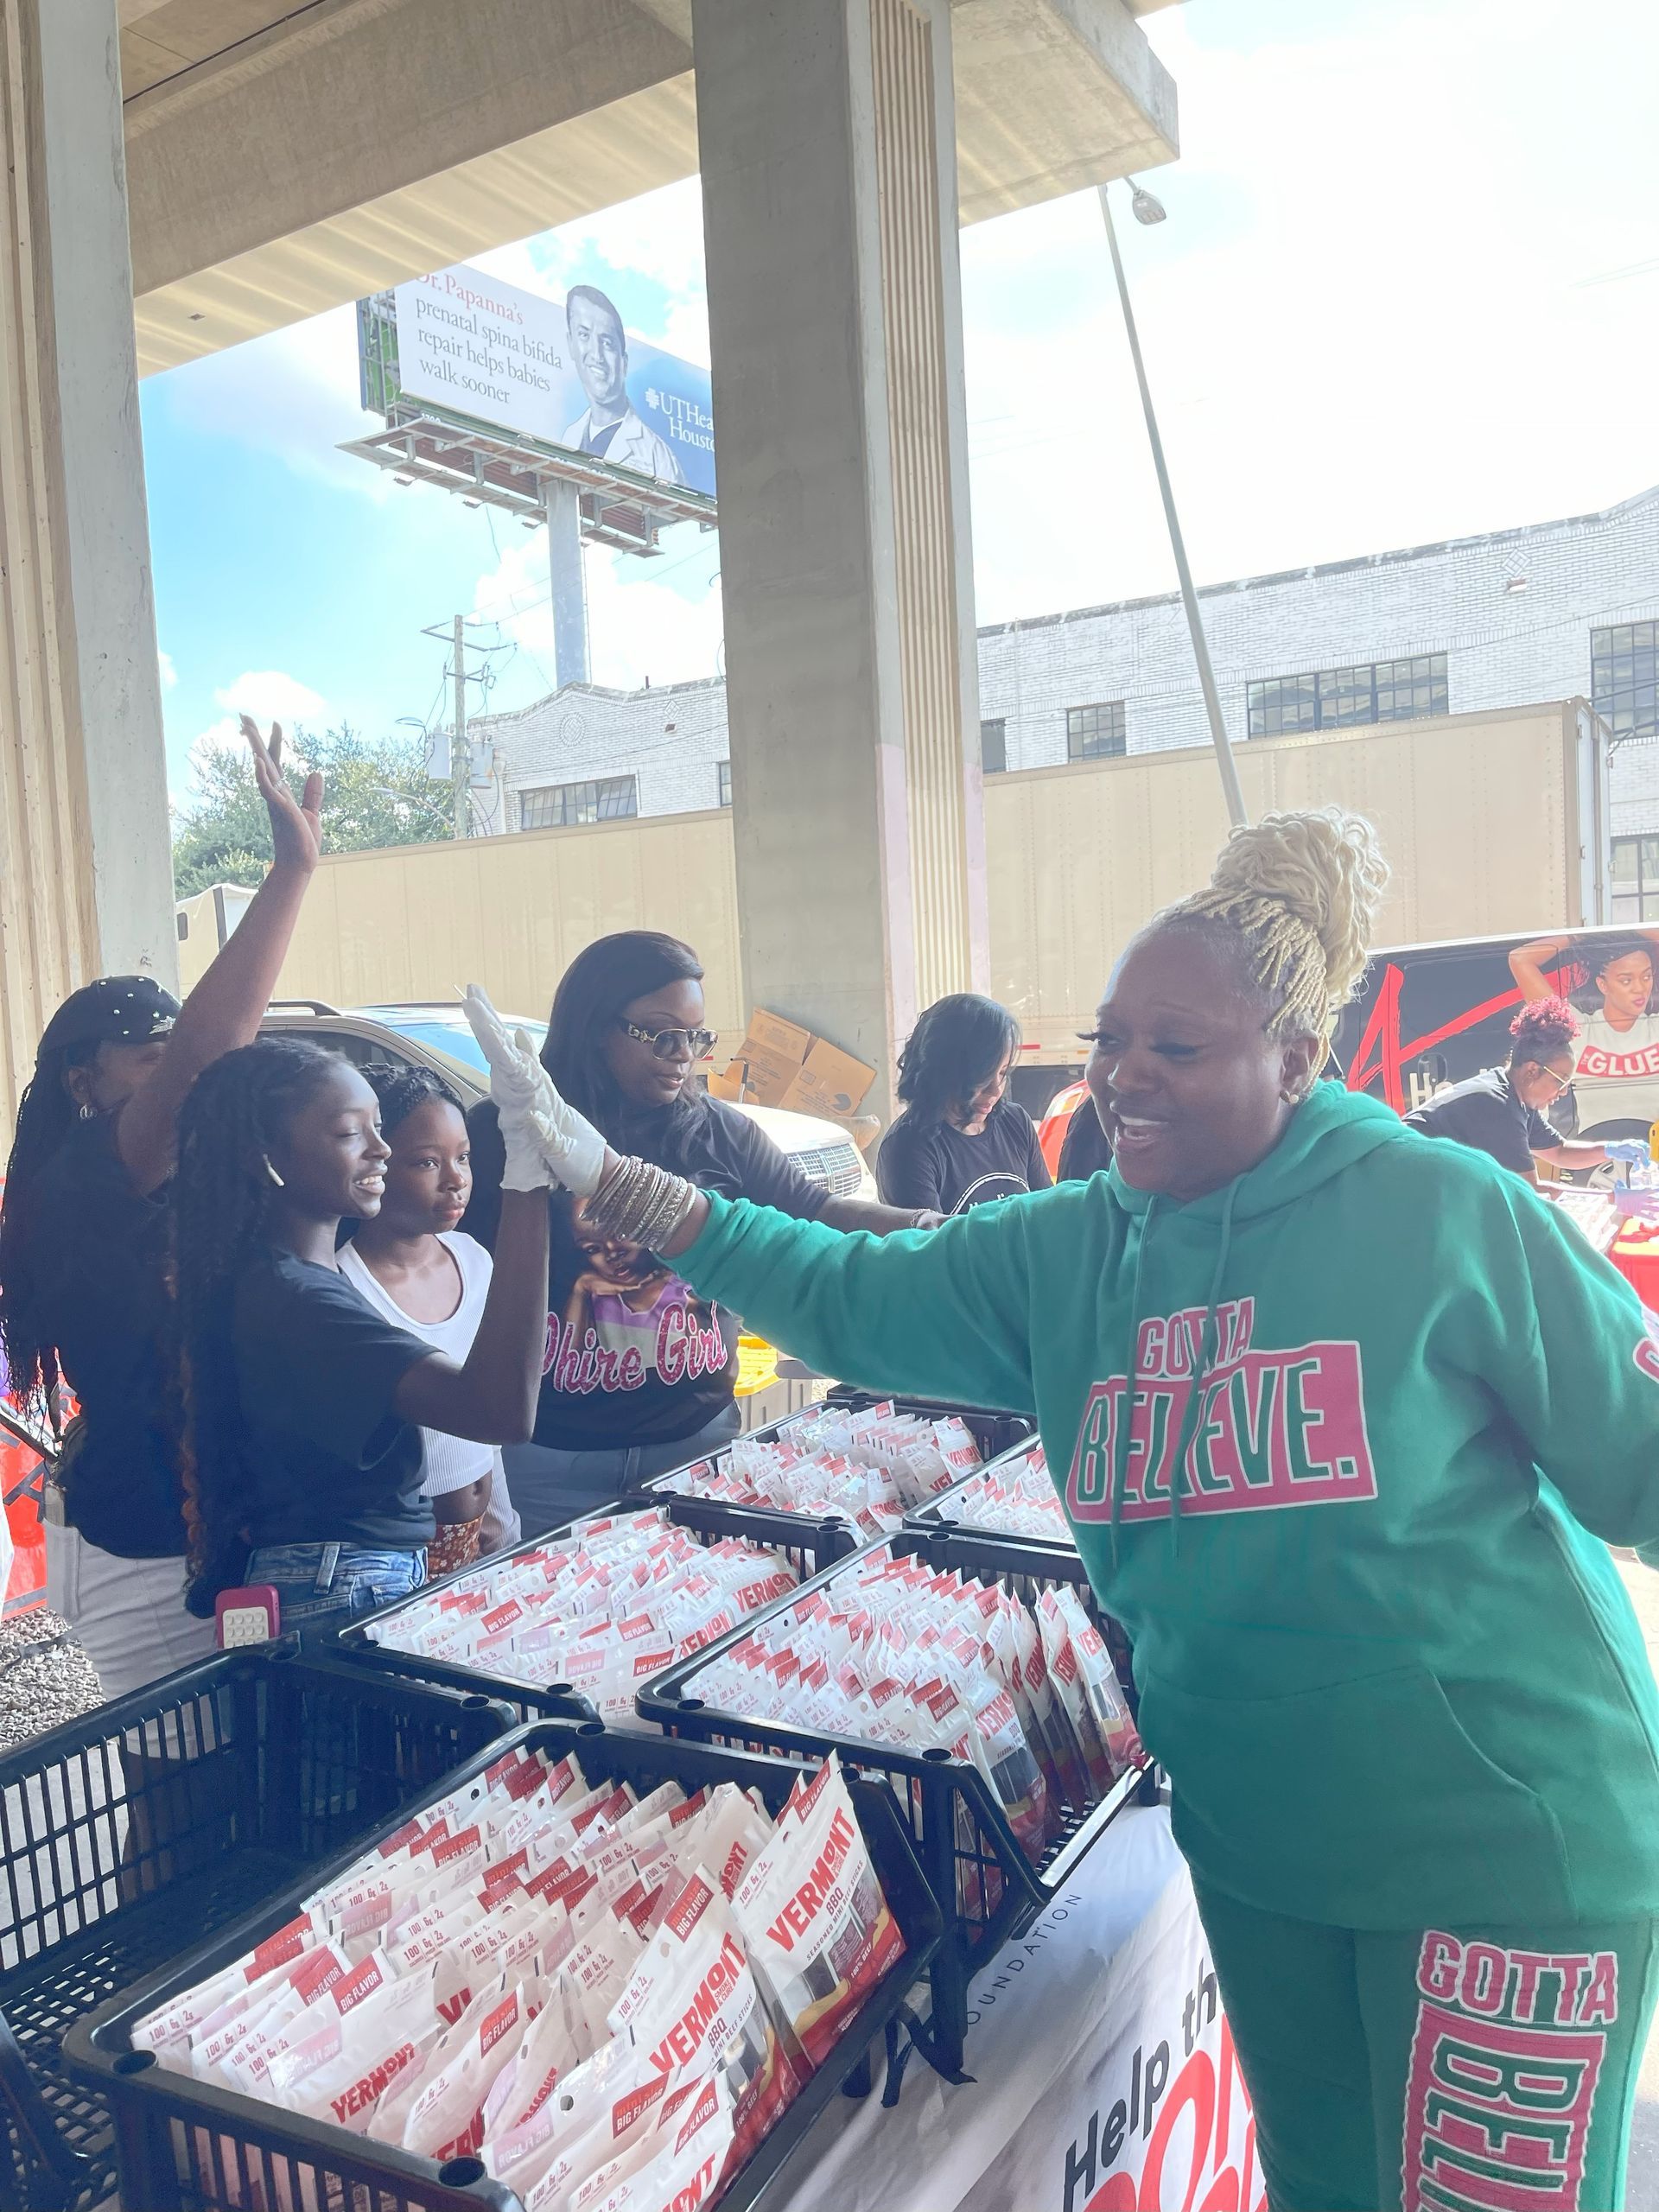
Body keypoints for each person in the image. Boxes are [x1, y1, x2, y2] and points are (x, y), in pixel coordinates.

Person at [490, 810, 1659, 2212]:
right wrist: (607, 1176)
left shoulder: (1441, 1212)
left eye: (1178, 1048)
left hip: (1501, 1846)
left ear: (1297, 1058)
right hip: (1265, 1840)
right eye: (1110, 1042)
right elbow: (840, 1292)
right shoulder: (1076, 1245)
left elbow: (1635, 1461)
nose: (1123, 1080)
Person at [0, 717, 321, 1700]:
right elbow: (201, 1071)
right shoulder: (74, 1189)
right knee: (173, 1810)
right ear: (83, 1079)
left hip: (223, 1540)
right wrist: (290, 877)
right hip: (147, 1556)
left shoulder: (184, 1185)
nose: (170, 1075)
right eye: (149, 1056)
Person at [461, 931, 930, 1534]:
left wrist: (929, 1231)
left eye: (695, 1036)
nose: (683, 1053)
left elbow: (818, 1213)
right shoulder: (511, 1133)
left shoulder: (720, 1134)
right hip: (551, 1458)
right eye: (661, 1034)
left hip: (695, 1442)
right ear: (596, 1027)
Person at [171, 998, 552, 1645]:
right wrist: (527, 1187)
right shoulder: (301, 1303)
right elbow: (498, 1412)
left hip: (331, 1577)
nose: (382, 1150)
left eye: (379, 1129)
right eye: (352, 1134)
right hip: (341, 1586)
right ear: (269, 1157)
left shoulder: (276, 1281)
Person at [336, 1066, 500, 1577]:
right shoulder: (343, 1286)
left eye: (464, 1157)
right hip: (394, 1552)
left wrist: (501, 1520)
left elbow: (490, 1417)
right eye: (427, 1162)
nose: (456, 1180)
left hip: (479, 1536)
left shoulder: (472, 1259)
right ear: (373, 1162)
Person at [1404, 997, 1615, 1182]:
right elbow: (1528, 1193)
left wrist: (1612, 1150)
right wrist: (1611, 1198)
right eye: (1561, 1082)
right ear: (1532, 1071)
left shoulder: (1516, 1097)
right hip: (1398, 1174)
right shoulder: (1497, 1106)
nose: (1563, 1092)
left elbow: (1559, 1152)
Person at [877, 994, 1051, 1214]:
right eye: (983, 1075)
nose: (995, 1090)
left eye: (1003, 1072)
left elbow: (1046, 1211)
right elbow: (934, 1246)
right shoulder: (908, 1147)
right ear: (944, 1068)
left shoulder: (1014, 1122)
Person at [1511, 930, 1659, 1136]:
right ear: (1603, 985)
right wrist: (1579, 936)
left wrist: (1632, 931)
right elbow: (1520, 960)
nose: (1640, 988)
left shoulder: (1655, 1029)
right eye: (1626, 980)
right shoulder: (1578, 1028)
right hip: (1594, 1158)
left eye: (1647, 977)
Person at [561, 285, 682, 484]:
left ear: (624, 363)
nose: (597, 355)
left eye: (607, 343)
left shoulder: (657, 457)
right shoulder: (569, 437)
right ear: (570, 344)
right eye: (584, 335)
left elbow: (681, 513)